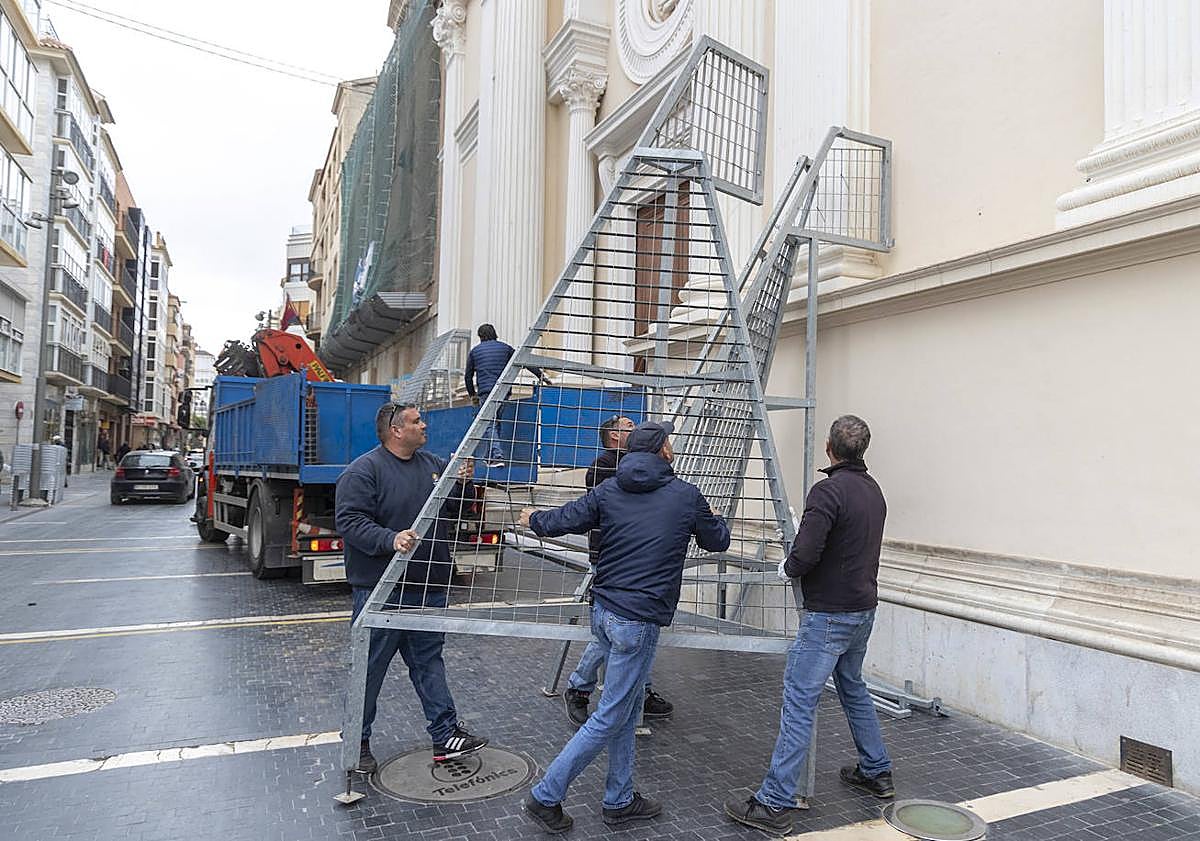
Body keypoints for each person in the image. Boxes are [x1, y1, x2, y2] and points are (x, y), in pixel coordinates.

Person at [519, 421, 730, 833]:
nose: (672, 446)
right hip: (638, 618)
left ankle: (619, 799)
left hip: (605, 610)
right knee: (610, 716)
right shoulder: (686, 496)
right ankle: (545, 796)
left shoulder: (609, 489)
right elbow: (716, 541)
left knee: (627, 707)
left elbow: (566, 518)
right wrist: (716, 519)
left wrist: (534, 519)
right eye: (668, 441)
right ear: (662, 452)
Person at [724, 415, 894, 836]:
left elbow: (805, 554)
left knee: (799, 703)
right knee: (853, 688)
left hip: (828, 616)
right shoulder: (874, 490)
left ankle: (774, 800)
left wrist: (786, 568)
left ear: (829, 449)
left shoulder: (828, 490)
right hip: (862, 610)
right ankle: (877, 770)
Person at [336, 402, 488, 774]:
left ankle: (445, 736)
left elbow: (453, 509)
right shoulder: (363, 472)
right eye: (417, 421)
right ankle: (357, 742)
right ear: (396, 430)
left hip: (428, 586)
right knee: (369, 669)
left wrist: (463, 483)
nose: (425, 425)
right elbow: (350, 521)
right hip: (382, 592)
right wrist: (390, 539)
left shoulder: (435, 466)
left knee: (429, 663)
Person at [562, 415, 675, 727]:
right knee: (616, 631)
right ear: (614, 436)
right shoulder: (602, 467)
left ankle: (639, 689)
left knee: (633, 629)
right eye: (628, 425)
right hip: (611, 557)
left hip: (640, 558)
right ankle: (580, 687)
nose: (635, 427)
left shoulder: (647, 467)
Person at [464, 323, 515, 468]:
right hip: (504, 391)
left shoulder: (475, 351)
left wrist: (472, 395)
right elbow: (523, 361)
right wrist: (541, 375)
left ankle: (498, 456)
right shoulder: (506, 348)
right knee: (495, 422)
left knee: (489, 424)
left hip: (486, 392)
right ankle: (489, 457)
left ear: (480, 336)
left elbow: (468, 377)